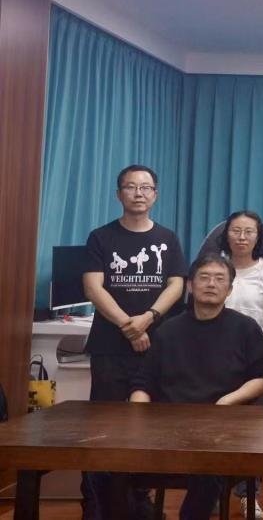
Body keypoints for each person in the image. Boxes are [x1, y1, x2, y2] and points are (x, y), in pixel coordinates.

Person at [129, 254, 263, 520]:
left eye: (220, 279)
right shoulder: (168, 330)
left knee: (210, 463)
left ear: (229, 289)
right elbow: (144, 381)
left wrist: (227, 402)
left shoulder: (245, 328)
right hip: (169, 428)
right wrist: (136, 420)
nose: (211, 284)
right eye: (204, 277)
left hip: (222, 428)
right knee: (109, 467)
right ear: (190, 285)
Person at [81, 164, 187, 519]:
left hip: (156, 347)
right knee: (103, 425)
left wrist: (149, 318)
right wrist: (128, 325)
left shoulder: (168, 238)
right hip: (110, 347)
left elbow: (176, 284)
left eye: (145, 187)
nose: (138, 193)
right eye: (131, 186)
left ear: (155, 194)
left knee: (149, 425)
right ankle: (95, 504)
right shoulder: (101, 237)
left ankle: (140, 501)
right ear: (119, 194)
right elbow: (93, 287)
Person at [218, 209, 263, 518]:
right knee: (215, 431)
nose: (242, 237)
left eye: (249, 232)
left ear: (258, 237)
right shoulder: (216, 267)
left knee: (252, 433)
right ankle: (212, 491)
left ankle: (248, 494)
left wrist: (261, 353)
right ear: (226, 234)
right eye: (236, 230)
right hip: (215, 361)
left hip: (254, 364)